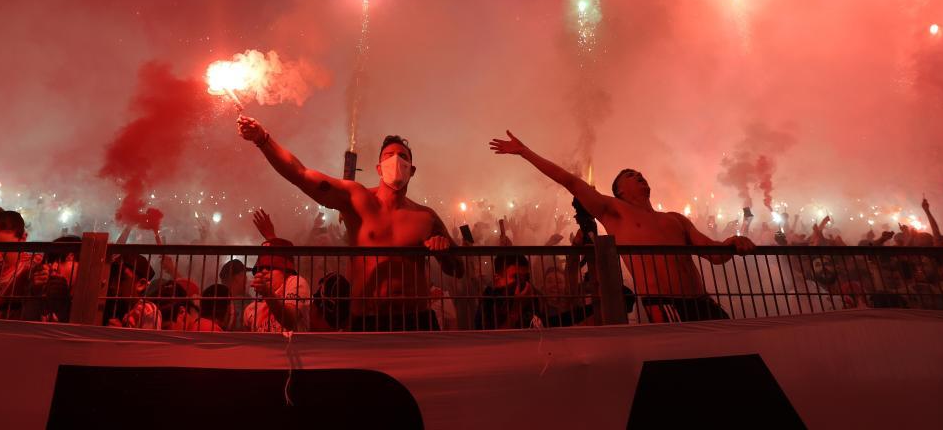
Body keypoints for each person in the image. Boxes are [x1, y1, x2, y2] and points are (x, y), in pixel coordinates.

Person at [489, 131, 754, 322]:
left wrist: (733, 243)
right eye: (630, 175)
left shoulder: (676, 219)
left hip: (703, 301)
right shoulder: (615, 212)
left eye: (640, 174)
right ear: (619, 191)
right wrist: (525, 152)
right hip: (666, 304)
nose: (639, 175)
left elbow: (713, 253)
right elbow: (570, 181)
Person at [237, 116, 463, 332]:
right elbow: (301, 174)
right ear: (378, 168)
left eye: (403, 156)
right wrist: (263, 139)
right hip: (368, 319)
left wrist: (443, 252)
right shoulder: (357, 199)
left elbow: (458, 269)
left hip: (416, 319)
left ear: (412, 170)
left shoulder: (426, 217)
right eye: (389, 156)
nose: (396, 161)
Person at [243, 209, 310, 332]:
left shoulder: (295, 282)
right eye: (260, 268)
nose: (263, 272)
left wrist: (268, 294)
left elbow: (290, 321)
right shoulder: (250, 310)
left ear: (287, 271)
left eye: (270, 267)